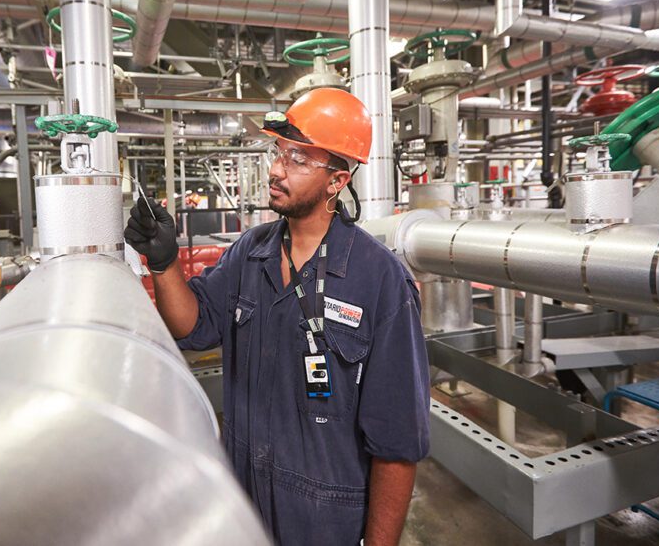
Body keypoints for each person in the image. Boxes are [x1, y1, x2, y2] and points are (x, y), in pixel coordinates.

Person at [124, 87, 430, 546]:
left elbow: (397, 444)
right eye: (279, 151)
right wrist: (164, 264)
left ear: (337, 180)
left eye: (299, 159)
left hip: (323, 522)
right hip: (244, 504)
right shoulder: (252, 252)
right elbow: (194, 327)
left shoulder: (380, 283)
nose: (276, 169)